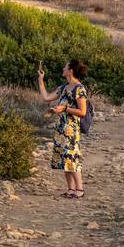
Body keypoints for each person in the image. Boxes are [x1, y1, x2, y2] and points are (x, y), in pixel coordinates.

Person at [37, 58, 89, 197]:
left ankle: (80, 190)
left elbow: (82, 112)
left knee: (72, 157)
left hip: (71, 130)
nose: (63, 69)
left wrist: (65, 108)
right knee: (64, 158)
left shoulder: (79, 89)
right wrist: (41, 79)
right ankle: (71, 189)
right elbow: (46, 97)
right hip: (61, 128)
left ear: (70, 71)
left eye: (65, 67)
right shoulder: (63, 87)